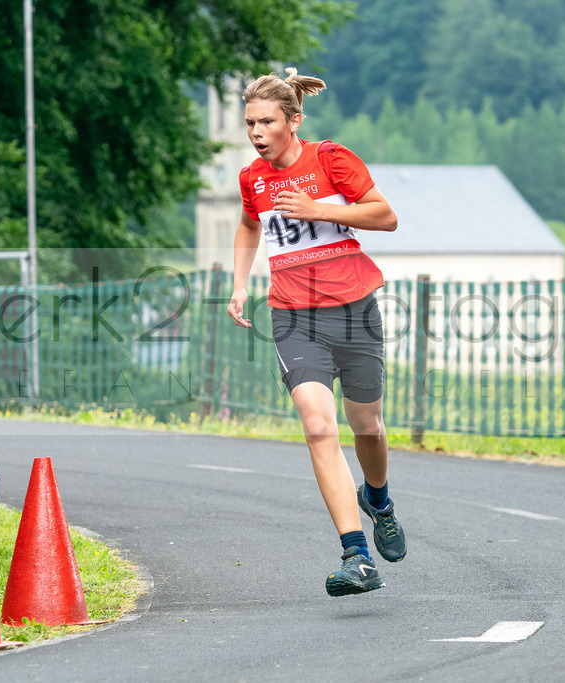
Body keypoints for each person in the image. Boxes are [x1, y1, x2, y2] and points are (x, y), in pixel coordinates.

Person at [227, 68, 406, 596]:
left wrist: (317, 209)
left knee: (367, 425)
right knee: (317, 425)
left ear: (293, 120)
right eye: (249, 123)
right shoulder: (251, 179)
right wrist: (240, 285)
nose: (257, 132)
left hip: (353, 308)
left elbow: (386, 216)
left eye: (266, 121)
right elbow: (249, 224)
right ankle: (357, 555)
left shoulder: (329, 159)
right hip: (293, 315)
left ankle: (378, 499)